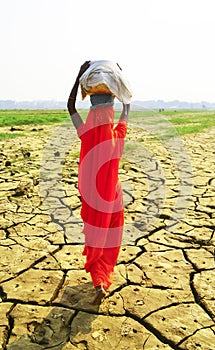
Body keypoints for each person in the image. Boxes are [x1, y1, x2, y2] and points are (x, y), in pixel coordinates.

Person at [67, 61, 130, 304]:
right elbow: (126, 108)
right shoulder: (117, 135)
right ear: (110, 112)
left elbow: (70, 106)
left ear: (92, 111)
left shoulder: (86, 132)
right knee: (111, 239)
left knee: (96, 237)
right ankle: (102, 279)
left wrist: (78, 74)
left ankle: (97, 281)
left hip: (93, 197)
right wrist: (121, 82)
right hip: (113, 197)